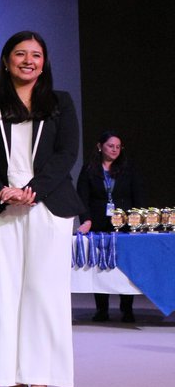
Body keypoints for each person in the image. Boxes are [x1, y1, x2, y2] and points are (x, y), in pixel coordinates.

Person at [0, 30, 82, 387]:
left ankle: (40, 384)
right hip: (2, 209)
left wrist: (32, 191)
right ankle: (13, 384)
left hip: (48, 208)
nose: (28, 60)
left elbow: (67, 152)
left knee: (44, 294)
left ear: (44, 62)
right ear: (5, 61)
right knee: (6, 296)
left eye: (36, 55)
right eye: (20, 54)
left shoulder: (60, 104)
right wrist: (3, 190)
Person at [77, 131, 144, 323]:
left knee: (125, 266)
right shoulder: (90, 169)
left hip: (124, 223)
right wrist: (86, 219)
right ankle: (101, 309)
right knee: (101, 265)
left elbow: (137, 195)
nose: (114, 150)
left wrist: (137, 221)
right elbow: (82, 196)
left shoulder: (128, 168)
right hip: (98, 223)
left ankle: (127, 309)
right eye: (110, 146)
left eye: (118, 146)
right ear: (100, 146)